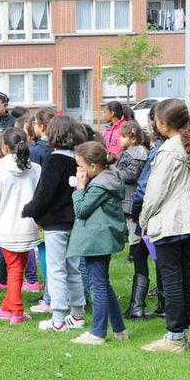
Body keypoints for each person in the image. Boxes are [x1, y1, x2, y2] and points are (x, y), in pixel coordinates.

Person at [139, 99, 190, 354]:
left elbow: (155, 192)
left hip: (170, 219)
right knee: (182, 276)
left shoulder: (169, 150)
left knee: (171, 280)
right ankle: (181, 333)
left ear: (164, 123)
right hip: (188, 218)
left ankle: (175, 337)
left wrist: (144, 219)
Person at [22, 115, 87, 332]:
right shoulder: (77, 160)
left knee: (56, 269)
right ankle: (77, 314)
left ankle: (58, 318)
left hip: (56, 224)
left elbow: (45, 193)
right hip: (75, 221)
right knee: (73, 269)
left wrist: (29, 210)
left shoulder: (54, 160)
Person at [67, 141, 128, 345]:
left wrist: (80, 188)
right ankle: (119, 329)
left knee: (97, 286)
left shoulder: (99, 185)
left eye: (81, 166)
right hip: (102, 238)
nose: (79, 171)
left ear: (93, 167)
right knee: (103, 283)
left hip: (97, 240)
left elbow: (81, 210)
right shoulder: (109, 177)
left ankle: (98, 333)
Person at [0, 127, 42, 324]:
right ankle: (9, 305)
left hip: (7, 226)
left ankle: (15, 310)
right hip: (29, 226)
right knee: (18, 266)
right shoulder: (36, 169)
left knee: (14, 268)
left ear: (5, 147)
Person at [129, 106, 166, 319]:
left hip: (151, 212)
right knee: (153, 255)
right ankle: (145, 304)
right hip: (166, 212)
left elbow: (144, 186)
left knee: (144, 254)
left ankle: (140, 306)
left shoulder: (159, 150)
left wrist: (136, 210)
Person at [115, 119, 150, 318]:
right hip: (132, 206)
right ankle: (137, 304)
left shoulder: (136, 155)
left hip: (133, 207)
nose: (120, 139)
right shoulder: (133, 153)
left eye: (123, 135)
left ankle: (137, 305)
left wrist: (112, 170)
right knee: (138, 254)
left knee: (138, 255)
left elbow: (131, 175)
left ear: (133, 137)